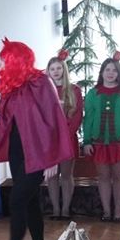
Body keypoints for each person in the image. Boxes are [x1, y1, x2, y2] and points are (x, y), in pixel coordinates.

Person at [0, 40, 74, 240]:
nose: (0, 66)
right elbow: (2, 129)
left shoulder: (41, 82)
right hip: (18, 155)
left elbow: (54, 120)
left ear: (16, 60)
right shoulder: (11, 89)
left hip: (38, 155)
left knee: (17, 199)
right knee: (30, 201)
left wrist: (52, 158)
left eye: (3, 61)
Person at [82, 53, 120, 222]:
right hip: (98, 143)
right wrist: (87, 141)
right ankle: (107, 211)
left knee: (118, 176)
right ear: (101, 72)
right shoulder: (93, 93)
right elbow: (88, 118)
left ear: (119, 73)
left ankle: (118, 212)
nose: (110, 73)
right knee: (103, 177)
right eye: (107, 70)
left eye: (114, 70)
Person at [45, 50, 83, 220]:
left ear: (64, 70)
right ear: (48, 71)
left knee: (66, 176)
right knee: (52, 176)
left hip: (67, 139)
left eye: (59, 68)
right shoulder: (44, 91)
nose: (56, 71)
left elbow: (77, 116)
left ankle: (66, 209)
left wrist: (64, 136)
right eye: (52, 69)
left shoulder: (74, 90)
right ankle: (55, 209)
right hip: (50, 141)